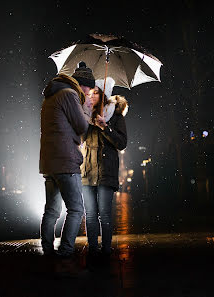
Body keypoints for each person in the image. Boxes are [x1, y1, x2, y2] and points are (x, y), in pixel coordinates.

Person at [39, 61, 95, 261]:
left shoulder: (51, 95)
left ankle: (47, 250)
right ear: (81, 84)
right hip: (66, 161)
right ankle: (65, 250)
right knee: (76, 208)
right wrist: (86, 110)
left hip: (49, 162)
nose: (89, 92)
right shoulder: (70, 95)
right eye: (88, 87)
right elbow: (81, 127)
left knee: (52, 210)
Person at [80, 77, 128, 265]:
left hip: (106, 172)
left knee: (105, 214)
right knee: (90, 215)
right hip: (87, 171)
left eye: (96, 92)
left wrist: (105, 127)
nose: (91, 96)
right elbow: (79, 139)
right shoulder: (84, 114)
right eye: (90, 93)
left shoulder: (115, 116)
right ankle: (93, 249)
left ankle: (106, 250)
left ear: (103, 94)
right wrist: (85, 121)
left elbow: (122, 143)